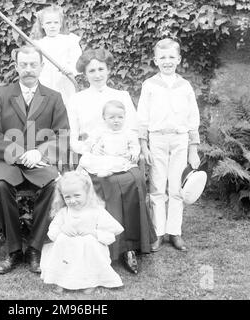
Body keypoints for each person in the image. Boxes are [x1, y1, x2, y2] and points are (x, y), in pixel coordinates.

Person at [67, 48, 157, 274]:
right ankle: (110, 246)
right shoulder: (76, 99)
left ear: (108, 70)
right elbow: (73, 139)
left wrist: (134, 150)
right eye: (91, 70)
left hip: (121, 156)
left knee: (134, 178)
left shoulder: (122, 95)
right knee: (108, 184)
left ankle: (131, 246)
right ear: (84, 73)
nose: (97, 74)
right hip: (95, 158)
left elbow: (134, 130)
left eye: (101, 69)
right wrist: (88, 149)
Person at [0, 45, 70, 275]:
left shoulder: (54, 98)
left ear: (42, 67)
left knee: (54, 186)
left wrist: (40, 152)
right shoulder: (0, 95)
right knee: (0, 186)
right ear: (16, 66)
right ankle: (14, 251)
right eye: (23, 65)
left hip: (40, 163)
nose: (28, 69)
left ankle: (35, 248)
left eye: (33, 64)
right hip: (10, 162)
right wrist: (18, 153)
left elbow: (62, 135)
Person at [137, 38, 201, 252]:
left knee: (176, 188)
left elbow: (193, 118)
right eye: (162, 57)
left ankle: (175, 232)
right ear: (156, 60)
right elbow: (142, 117)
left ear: (179, 59)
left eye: (172, 57)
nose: (167, 61)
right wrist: (144, 146)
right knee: (156, 187)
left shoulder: (185, 86)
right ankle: (158, 232)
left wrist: (193, 149)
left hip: (180, 140)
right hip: (157, 139)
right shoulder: (149, 85)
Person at [40, 171, 124, 294]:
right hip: (68, 251)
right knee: (62, 239)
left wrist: (93, 232)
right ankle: (61, 279)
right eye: (67, 197)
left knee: (89, 242)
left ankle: (91, 281)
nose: (72, 200)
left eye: (77, 195)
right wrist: (62, 229)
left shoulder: (96, 211)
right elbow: (52, 232)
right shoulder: (64, 212)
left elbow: (113, 230)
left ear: (87, 193)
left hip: (89, 251)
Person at [30, 4, 82, 106]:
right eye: (48, 23)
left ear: (60, 24)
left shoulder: (69, 41)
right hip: (45, 81)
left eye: (55, 22)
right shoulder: (38, 44)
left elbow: (77, 60)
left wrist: (69, 69)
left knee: (65, 107)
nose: (52, 26)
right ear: (42, 25)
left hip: (64, 81)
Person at [78, 100, 140, 177]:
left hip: (119, 158)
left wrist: (131, 154)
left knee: (119, 163)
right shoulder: (101, 130)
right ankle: (87, 171)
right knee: (85, 158)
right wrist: (94, 147)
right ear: (104, 118)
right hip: (103, 157)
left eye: (120, 117)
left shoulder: (128, 132)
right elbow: (89, 141)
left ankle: (106, 171)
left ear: (124, 116)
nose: (116, 120)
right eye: (112, 117)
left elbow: (135, 146)